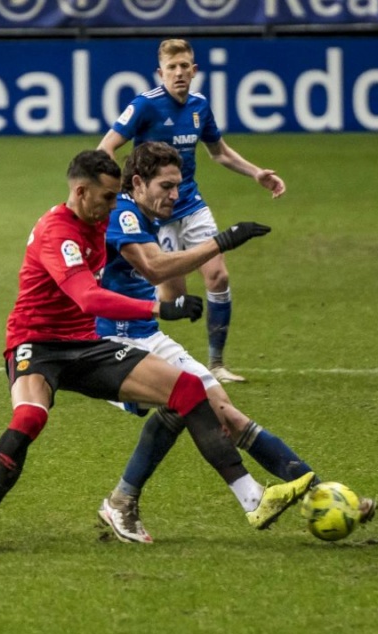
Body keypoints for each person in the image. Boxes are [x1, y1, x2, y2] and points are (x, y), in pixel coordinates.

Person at [0, 149, 314, 553]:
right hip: (37, 345)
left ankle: (253, 499)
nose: (114, 205)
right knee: (29, 418)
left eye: (118, 197)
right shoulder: (58, 232)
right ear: (81, 192)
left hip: (86, 346)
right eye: (107, 197)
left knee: (187, 390)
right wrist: (159, 307)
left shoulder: (99, 221)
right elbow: (88, 298)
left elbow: (149, 264)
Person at [95, 141, 377, 544]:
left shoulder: (147, 212)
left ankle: (122, 500)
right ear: (138, 183)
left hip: (146, 336)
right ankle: (302, 495)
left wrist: (170, 300)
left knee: (219, 408)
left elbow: (155, 277)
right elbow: (154, 266)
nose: (176, 195)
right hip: (110, 345)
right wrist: (222, 242)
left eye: (178, 186)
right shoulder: (122, 214)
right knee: (199, 404)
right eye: (167, 186)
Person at [97, 38, 286, 385]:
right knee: (173, 296)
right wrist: (119, 195)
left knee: (219, 277)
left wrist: (257, 172)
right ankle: (125, 334)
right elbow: (106, 146)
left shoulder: (199, 106)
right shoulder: (145, 105)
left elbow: (220, 153)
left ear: (194, 70)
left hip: (192, 205)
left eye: (185, 66)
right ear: (160, 73)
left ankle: (216, 363)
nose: (179, 73)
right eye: (172, 68)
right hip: (158, 213)